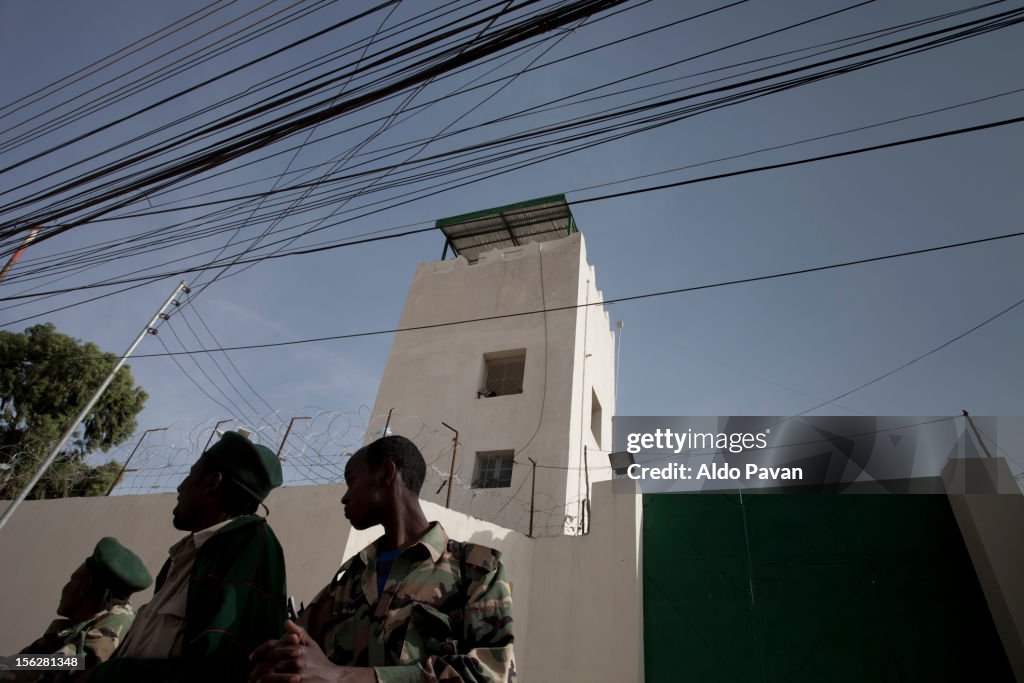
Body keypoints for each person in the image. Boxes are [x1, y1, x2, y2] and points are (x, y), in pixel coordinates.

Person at [249, 435, 515, 683]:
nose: (345, 496)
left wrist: (342, 677)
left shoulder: (476, 570)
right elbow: (302, 651)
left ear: (386, 474)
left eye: (352, 480)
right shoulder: (350, 578)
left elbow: (491, 674)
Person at [89, 431, 288, 683]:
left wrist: (98, 675)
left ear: (211, 482)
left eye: (190, 475)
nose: (180, 486)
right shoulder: (191, 553)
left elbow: (219, 667)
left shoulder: (246, 547)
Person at [1, 537, 151, 683]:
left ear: (84, 587)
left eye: (72, 580)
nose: (66, 587)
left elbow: (56, 672)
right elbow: (26, 662)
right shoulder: (85, 624)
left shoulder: (114, 626)